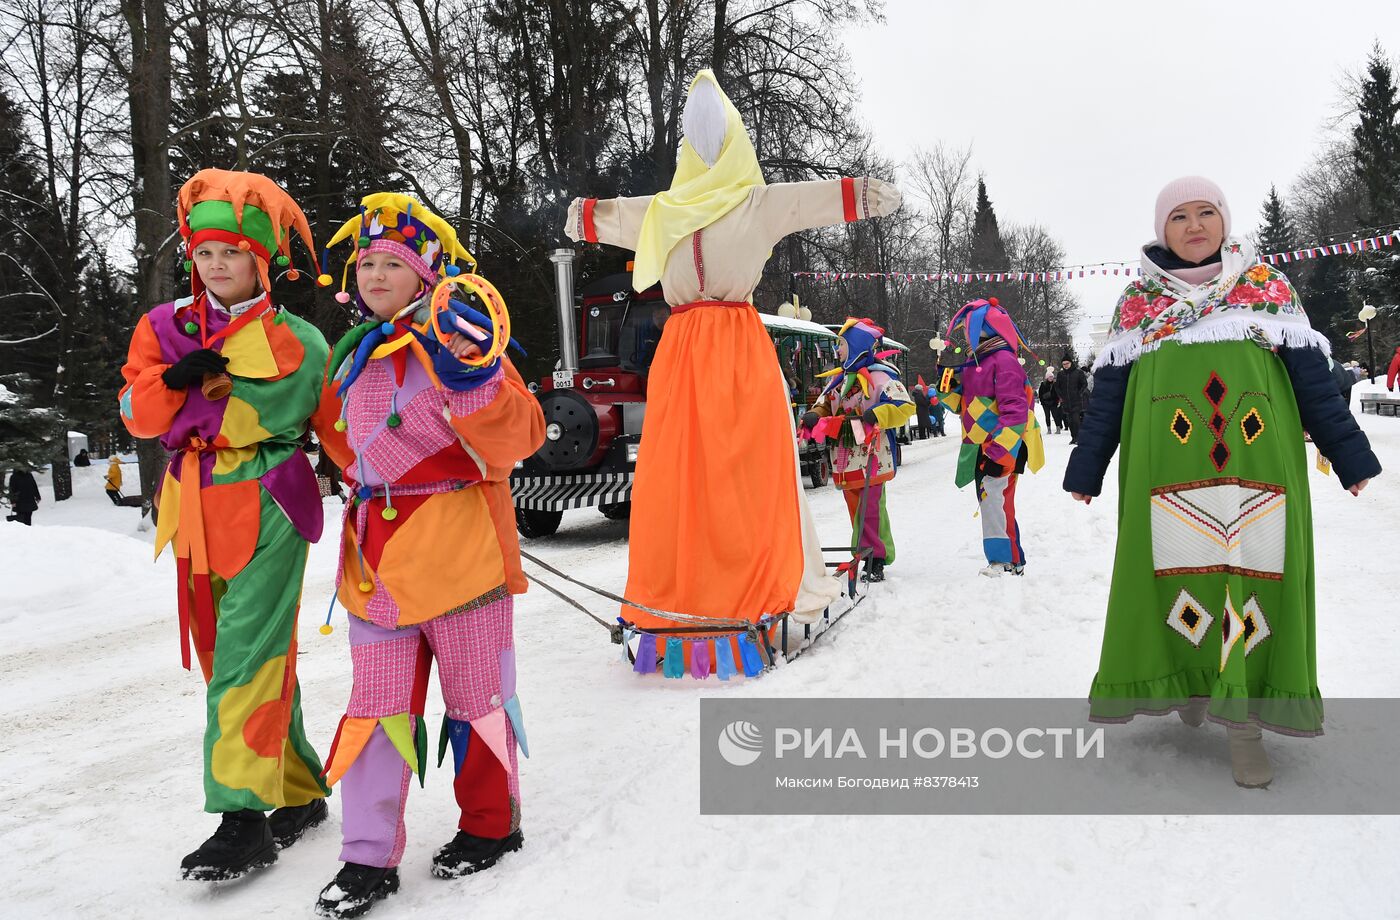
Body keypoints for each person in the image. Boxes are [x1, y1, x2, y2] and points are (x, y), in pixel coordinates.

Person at [563, 70, 899, 662]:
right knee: (676, 476)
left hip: (739, 355)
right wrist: (584, 215)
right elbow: (611, 216)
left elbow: (809, 200)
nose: (707, 145)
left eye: (713, 134)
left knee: (745, 474)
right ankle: (683, 591)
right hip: (681, 357)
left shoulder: (756, 203)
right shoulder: (663, 210)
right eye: (697, 137)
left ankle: (759, 584)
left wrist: (859, 195)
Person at [1064, 176, 1382, 788]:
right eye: (1179, 216)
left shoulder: (1266, 289)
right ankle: (1188, 679)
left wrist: (1352, 459)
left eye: (1206, 212)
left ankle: (1244, 723)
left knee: (1250, 582)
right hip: (1165, 479)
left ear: (1224, 221)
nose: (1194, 225)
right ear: (1163, 231)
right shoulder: (1136, 303)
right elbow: (1109, 397)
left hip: (1257, 474)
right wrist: (1087, 470)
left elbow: (1314, 383)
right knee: (1176, 583)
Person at [310, 192, 544, 918]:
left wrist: (472, 377)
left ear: (426, 275)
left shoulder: (461, 337)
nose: (376, 275)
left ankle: (488, 825)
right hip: (375, 561)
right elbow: (343, 443)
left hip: (460, 553)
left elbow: (522, 435)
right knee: (377, 709)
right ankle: (367, 857)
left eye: (393, 264)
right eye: (367, 262)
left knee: (477, 699)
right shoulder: (353, 356)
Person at [118, 169, 332, 880]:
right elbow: (136, 416)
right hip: (193, 507)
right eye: (205, 253)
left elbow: (326, 427)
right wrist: (170, 383)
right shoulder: (162, 329)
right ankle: (298, 791)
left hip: (269, 499)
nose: (216, 266)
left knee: (245, 655)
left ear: (259, 260)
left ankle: (241, 819)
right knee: (236, 657)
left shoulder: (302, 340)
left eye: (231, 253)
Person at [800, 317, 916, 582]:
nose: (837, 351)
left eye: (841, 345)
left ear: (857, 345)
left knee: (871, 508)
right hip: (844, 456)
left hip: (871, 453)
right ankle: (865, 551)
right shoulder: (839, 380)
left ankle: (875, 558)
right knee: (856, 507)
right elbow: (826, 404)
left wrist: (878, 414)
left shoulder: (880, 376)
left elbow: (905, 407)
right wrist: (814, 415)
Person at [937, 298, 1044, 576]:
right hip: (982, 446)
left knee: (994, 500)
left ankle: (1003, 560)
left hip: (1001, 447)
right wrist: (944, 387)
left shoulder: (1003, 361)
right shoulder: (975, 364)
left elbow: (1016, 412)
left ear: (982, 329)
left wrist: (999, 453)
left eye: (966, 329)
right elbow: (962, 406)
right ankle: (1010, 559)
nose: (963, 335)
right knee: (992, 501)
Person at [1053, 353, 1088, 443]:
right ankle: (1073, 437)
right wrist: (1061, 396)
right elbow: (1057, 386)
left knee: (1076, 420)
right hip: (1066, 401)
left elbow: (1084, 384)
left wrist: (1079, 393)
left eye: (1067, 363)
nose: (1065, 366)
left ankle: (1079, 438)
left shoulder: (1078, 372)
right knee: (1070, 421)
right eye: (1064, 364)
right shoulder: (1060, 374)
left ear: (1071, 363)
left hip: (1076, 400)